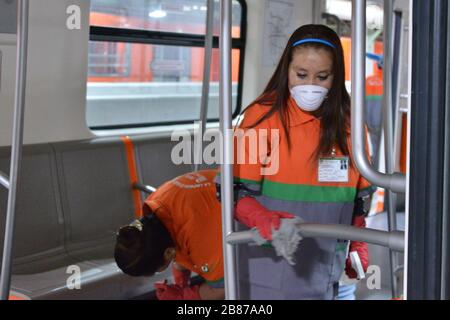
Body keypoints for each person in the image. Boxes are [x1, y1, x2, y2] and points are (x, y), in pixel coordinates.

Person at [221, 24, 374, 299]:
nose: (310, 86)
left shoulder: (350, 125)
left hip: (326, 268)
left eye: (322, 77)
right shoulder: (261, 119)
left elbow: (359, 201)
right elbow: (233, 193)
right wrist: (264, 219)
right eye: (301, 75)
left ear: (336, 77)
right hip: (267, 265)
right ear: (286, 71)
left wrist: (357, 245)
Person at [114, 170, 226, 300]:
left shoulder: (203, 242)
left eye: (156, 269)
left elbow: (224, 286)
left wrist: (183, 297)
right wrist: (180, 283)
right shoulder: (155, 208)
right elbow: (177, 242)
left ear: (168, 252)